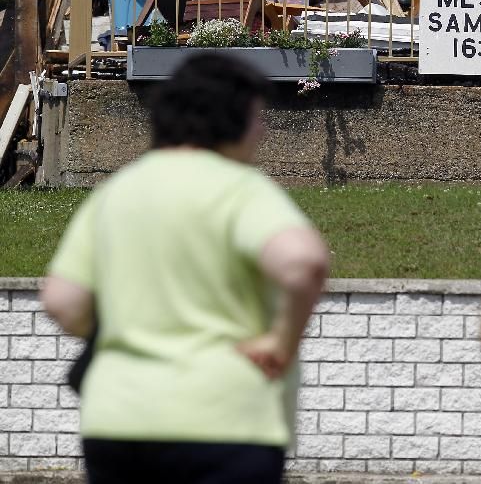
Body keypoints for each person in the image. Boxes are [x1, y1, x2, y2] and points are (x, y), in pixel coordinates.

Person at [42, 54, 330, 484]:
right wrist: (281, 342)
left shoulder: (116, 192)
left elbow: (62, 301)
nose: (264, 131)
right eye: (258, 118)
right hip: (225, 421)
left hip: (118, 420)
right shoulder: (240, 188)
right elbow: (303, 262)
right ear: (230, 120)